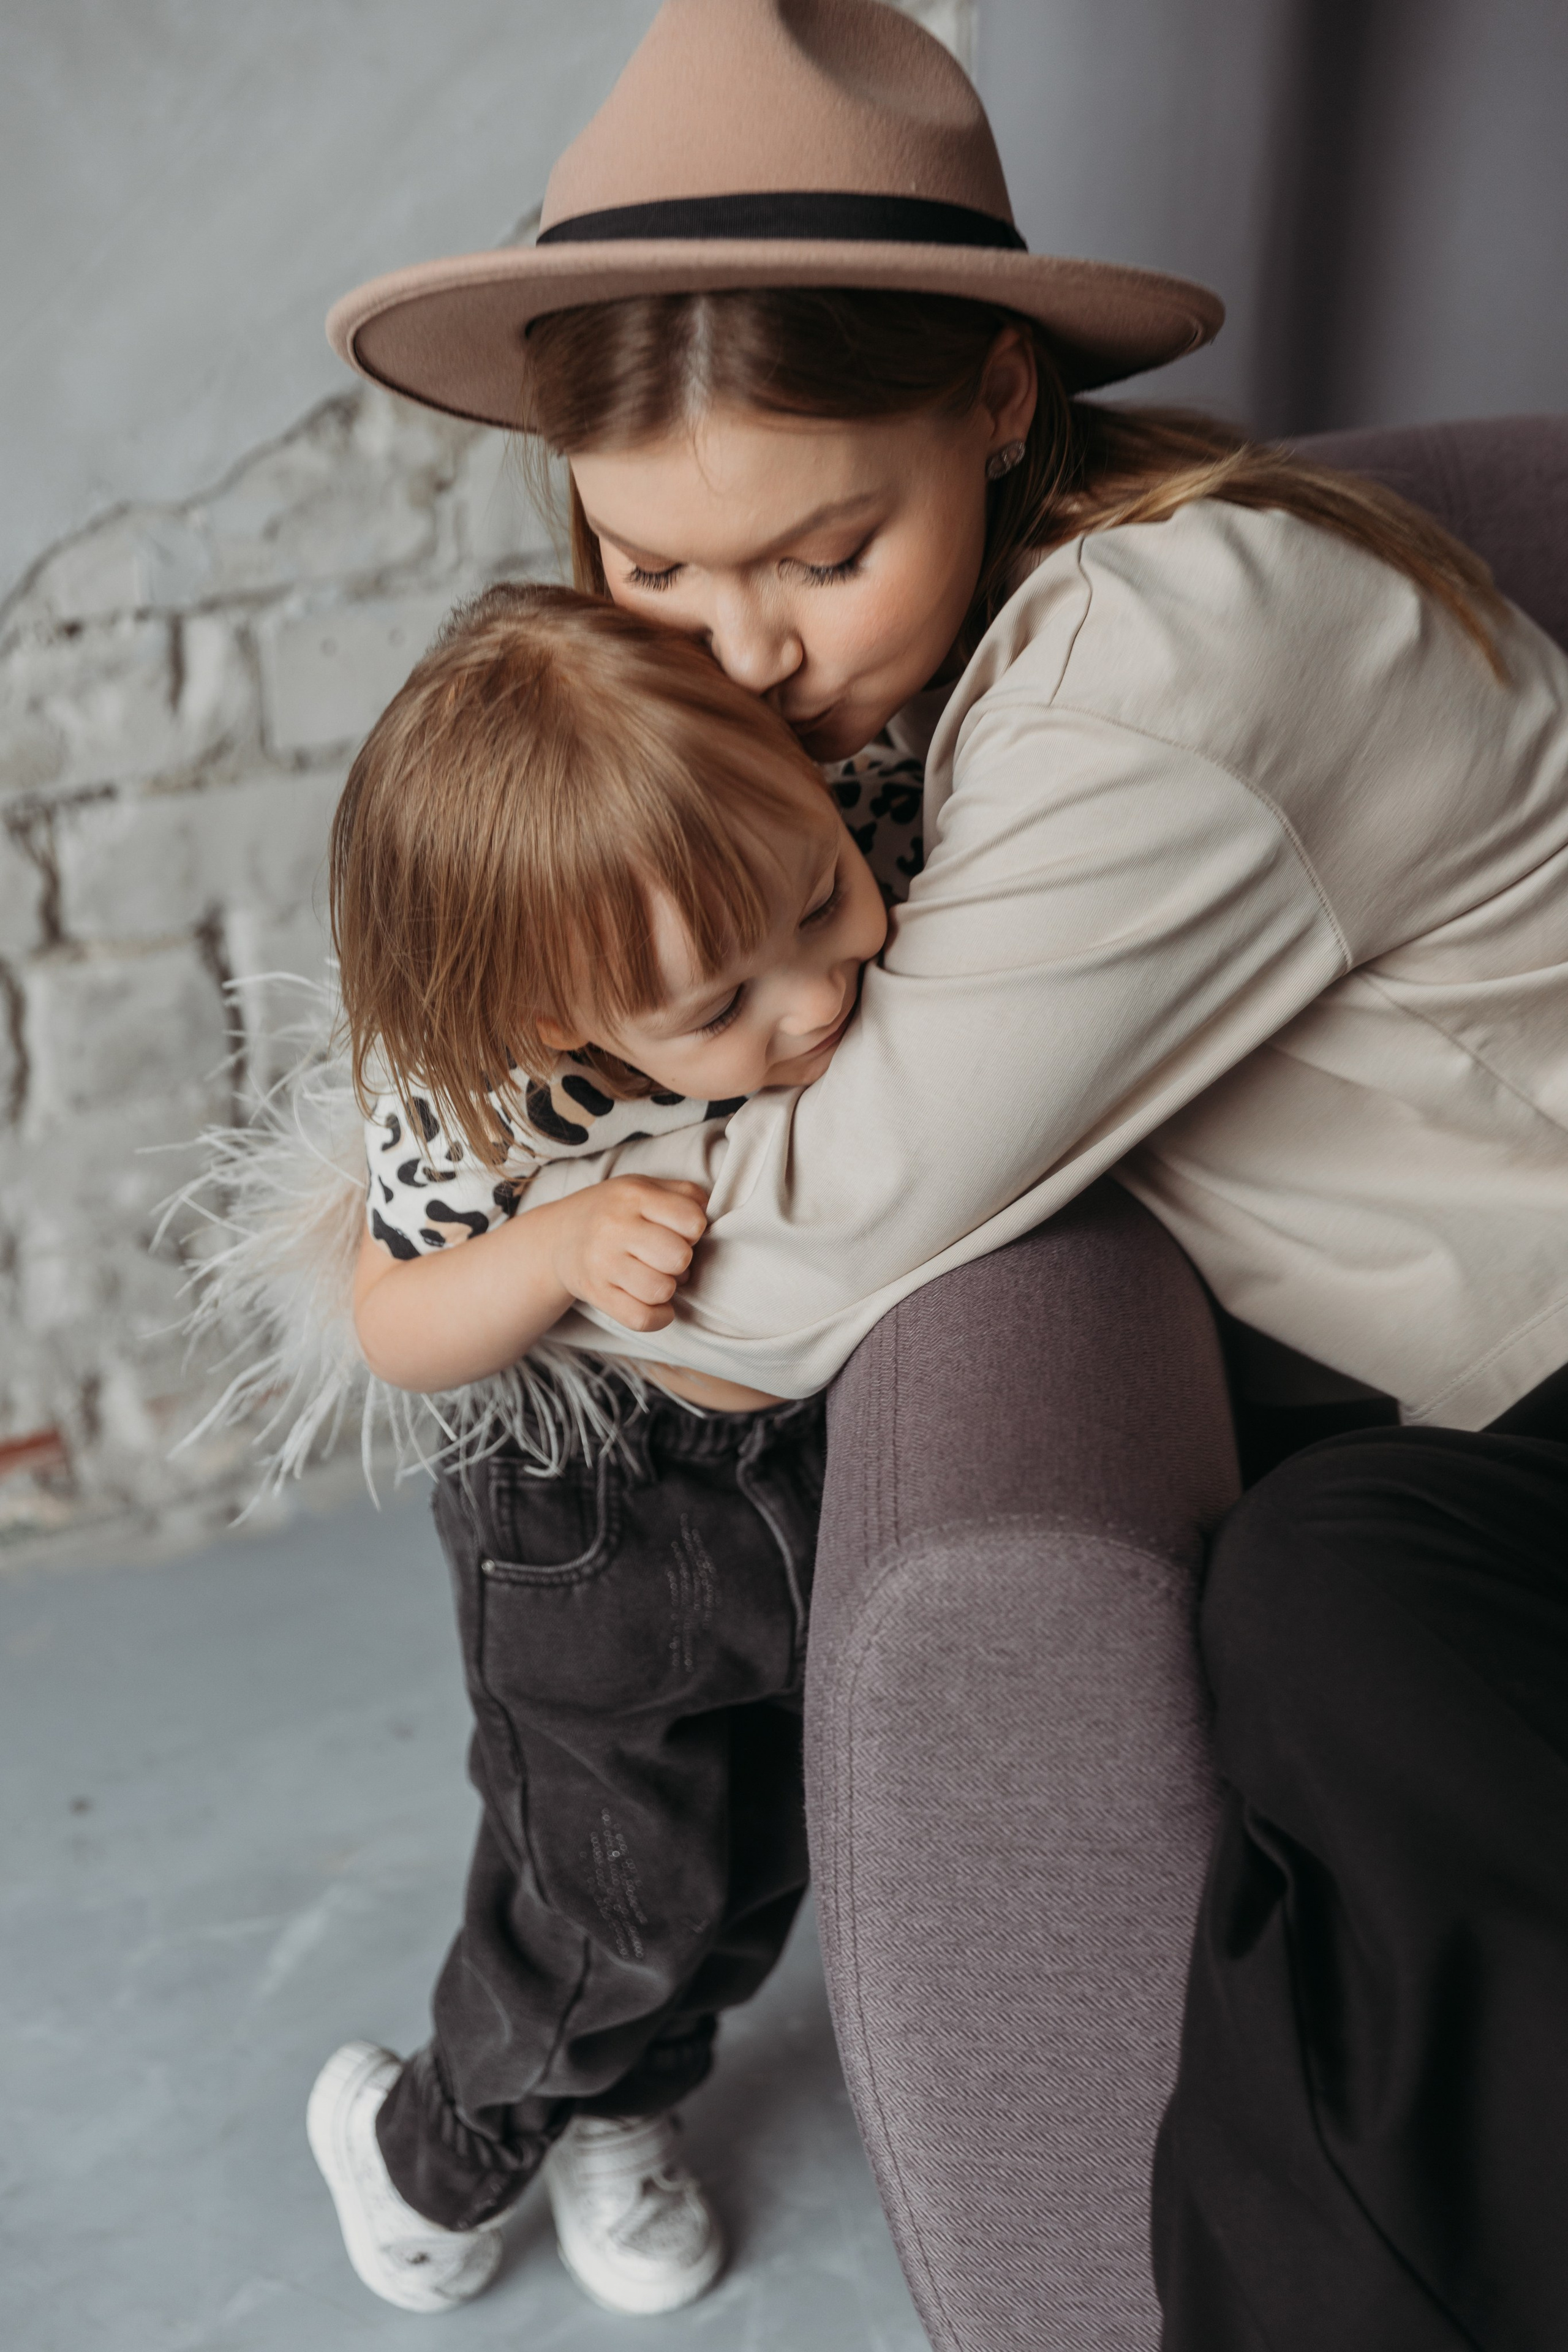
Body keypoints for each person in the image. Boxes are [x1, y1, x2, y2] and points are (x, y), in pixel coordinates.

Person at [322, 1, 1568, 2341]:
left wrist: (521, 1216)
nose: (747, 658)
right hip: (1461, 1420)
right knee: (1321, 1621)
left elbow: (777, 1270)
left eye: (822, 549)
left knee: (1339, 1619)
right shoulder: (908, 704)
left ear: (1002, 402)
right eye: (654, 568)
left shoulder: (1161, 670)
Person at [307, 581, 918, 2318]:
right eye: (723, 1008)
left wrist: (814, 910)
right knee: (610, 1890)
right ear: (553, 1020)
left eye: (823, 903)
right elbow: (392, 1320)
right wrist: (556, 1257)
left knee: (753, 1858)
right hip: (583, 1512)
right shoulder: (474, 1088)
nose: (815, 1001)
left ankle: (619, 2110)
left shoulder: (819, 819)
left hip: (792, 1473)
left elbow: (824, 918)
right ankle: (431, 2147)